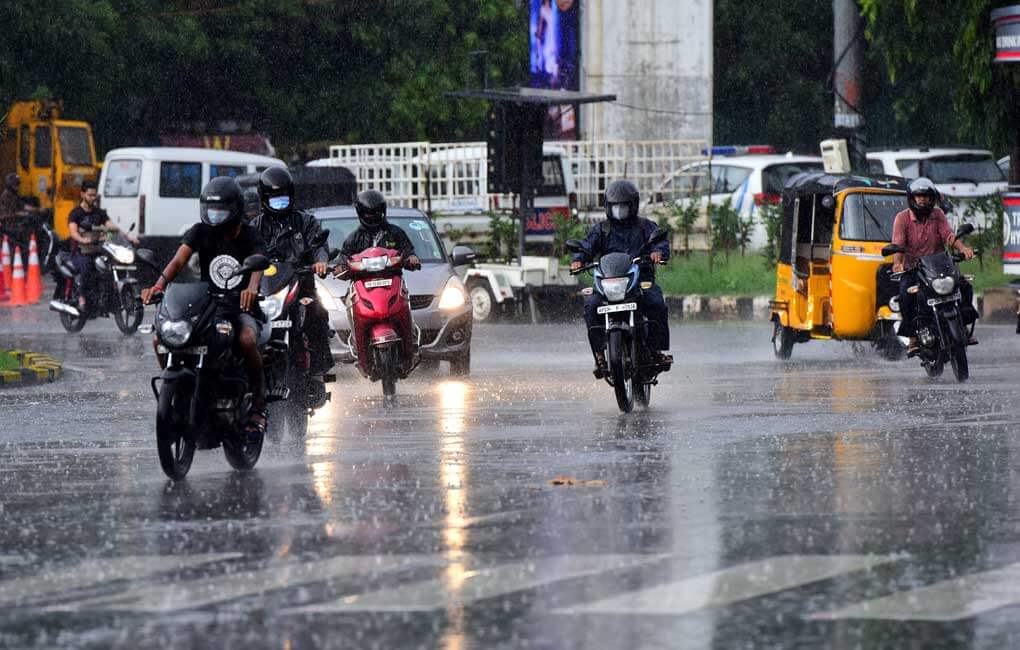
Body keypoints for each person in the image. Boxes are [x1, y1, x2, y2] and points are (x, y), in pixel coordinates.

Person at [141, 177, 268, 437]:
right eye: (212, 208)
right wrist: (158, 286)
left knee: (246, 340)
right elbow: (178, 262)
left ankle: (258, 403)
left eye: (221, 209)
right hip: (209, 304)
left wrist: (252, 288)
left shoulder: (249, 234)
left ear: (235, 208)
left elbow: (258, 262)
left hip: (241, 305)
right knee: (161, 339)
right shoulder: (200, 231)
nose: (215, 214)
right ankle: (178, 389)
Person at [570, 179, 672, 377]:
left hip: (639, 280)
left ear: (633, 205)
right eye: (615, 207)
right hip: (608, 283)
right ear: (608, 207)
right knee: (591, 307)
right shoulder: (601, 230)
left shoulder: (645, 227)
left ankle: (656, 350)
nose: (619, 211)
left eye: (623, 206)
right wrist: (579, 260)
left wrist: (657, 252)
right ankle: (600, 355)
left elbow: (660, 242)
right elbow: (586, 247)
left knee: (656, 303)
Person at [252, 166, 332, 374]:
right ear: (263, 199)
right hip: (266, 293)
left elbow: (319, 246)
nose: (280, 204)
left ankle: (318, 368)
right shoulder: (255, 227)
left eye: (283, 198)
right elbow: (246, 253)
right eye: (274, 199)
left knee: (317, 312)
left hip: (301, 287)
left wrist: (320, 261)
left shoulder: (306, 221)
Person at [892, 177, 977, 353]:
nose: (922, 199)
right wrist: (898, 264)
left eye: (926, 196)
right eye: (919, 196)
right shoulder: (902, 218)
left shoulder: (937, 214)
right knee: (905, 296)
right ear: (912, 198)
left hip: (940, 266)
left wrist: (963, 248)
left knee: (964, 286)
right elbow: (898, 244)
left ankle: (963, 327)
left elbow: (948, 235)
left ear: (932, 199)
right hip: (914, 269)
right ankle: (913, 338)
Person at [68, 179, 139, 312]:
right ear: (82, 194)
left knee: (108, 268)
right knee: (86, 268)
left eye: (94, 195)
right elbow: (73, 232)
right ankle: (82, 298)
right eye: (90, 195)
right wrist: (83, 240)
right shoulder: (76, 213)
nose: (92, 198)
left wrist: (128, 237)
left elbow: (112, 228)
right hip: (80, 252)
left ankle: (107, 299)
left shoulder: (99, 212)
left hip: (98, 250)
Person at [338, 190, 420, 271]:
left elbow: (407, 249)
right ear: (360, 213)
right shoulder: (354, 238)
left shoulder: (396, 233)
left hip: (392, 276)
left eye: (376, 213)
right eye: (368, 214)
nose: (372, 217)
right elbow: (345, 257)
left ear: (383, 211)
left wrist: (411, 257)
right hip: (362, 277)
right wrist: (340, 267)